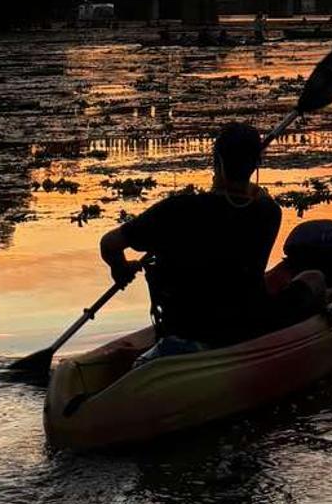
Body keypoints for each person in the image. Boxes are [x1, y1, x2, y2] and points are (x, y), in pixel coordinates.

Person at [100, 123, 281, 362]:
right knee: (313, 280)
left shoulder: (175, 210)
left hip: (182, 330)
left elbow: (110, 244)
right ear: (256, 165)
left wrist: (120, 269)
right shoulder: (268, 213)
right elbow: (254, 198)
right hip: (243, 329)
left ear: (216, 161)